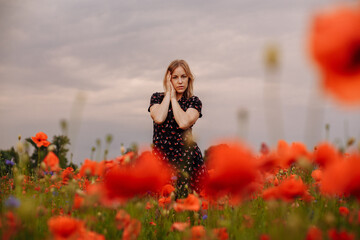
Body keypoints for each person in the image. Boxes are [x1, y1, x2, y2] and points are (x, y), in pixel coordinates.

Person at [148, 59, 207, 198]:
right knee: (160, 208)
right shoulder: (157, 98)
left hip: (186, 162)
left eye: (183, 76)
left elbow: (183, 122)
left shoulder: (194, 102)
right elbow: (158, 117)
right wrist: (169, 94)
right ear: (169, 80)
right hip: (161, 161)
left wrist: (174, 100)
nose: (180, 81)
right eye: (175, 77)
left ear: (189, 79)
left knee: (187, 206)